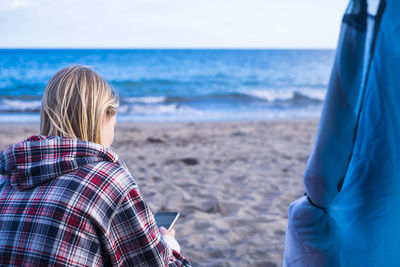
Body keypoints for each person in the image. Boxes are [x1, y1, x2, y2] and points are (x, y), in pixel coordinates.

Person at [0, 65, 191, 266]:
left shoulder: (5, 181)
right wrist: (170, 245)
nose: (116, 123)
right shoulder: (108, 180)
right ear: (103, 115)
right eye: (114, 114)